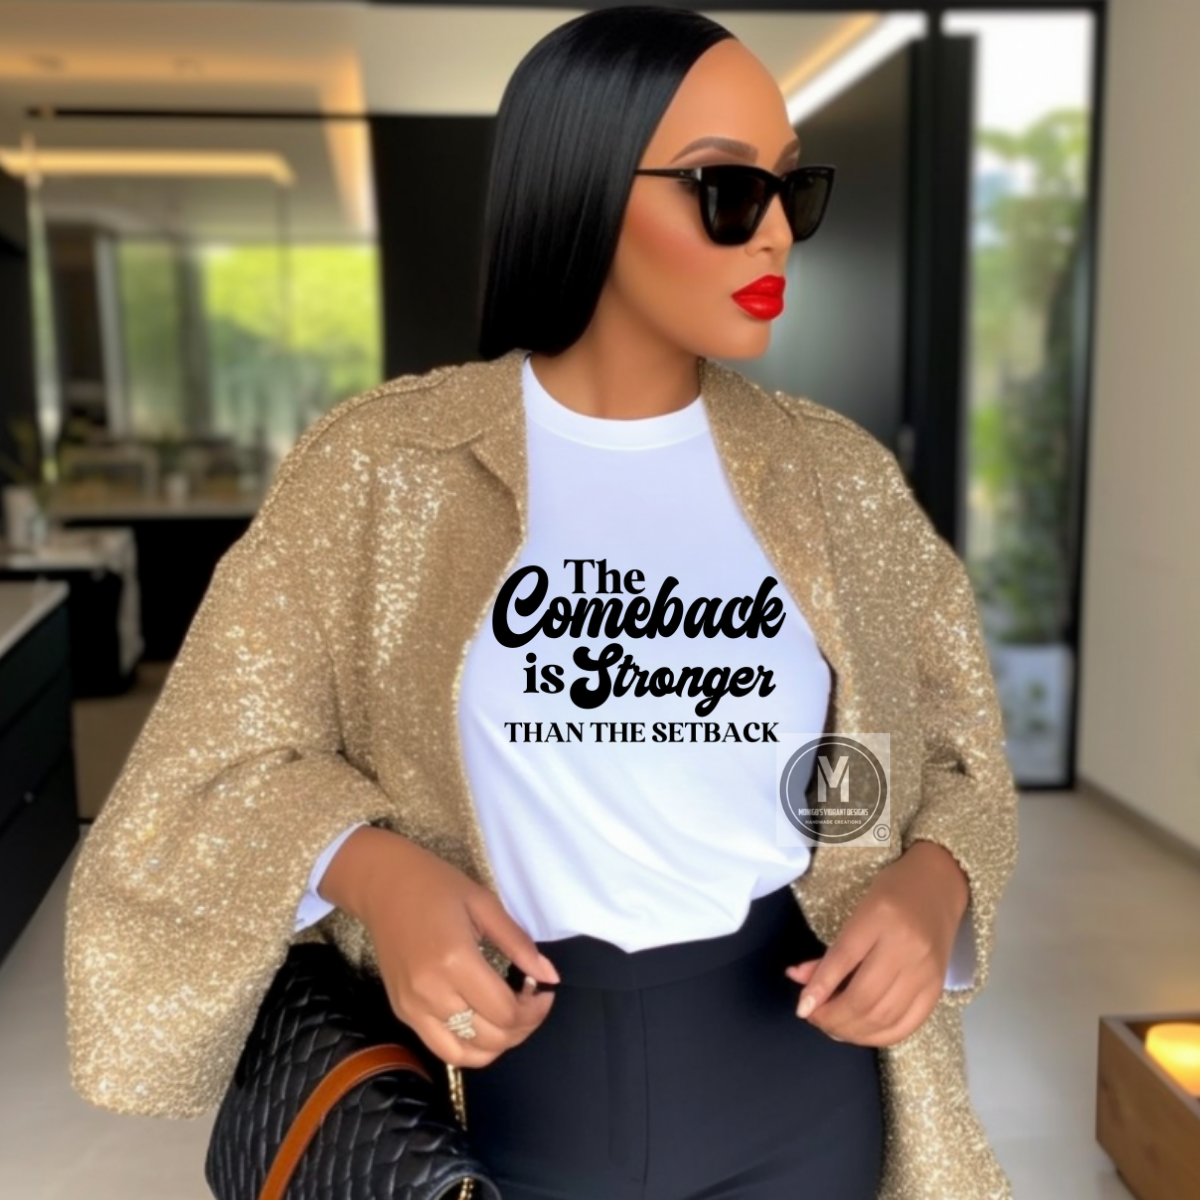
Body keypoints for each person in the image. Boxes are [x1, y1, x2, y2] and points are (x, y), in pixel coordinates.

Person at [64, 7, 1019, 1200]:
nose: (777, 232)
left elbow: (953, 746)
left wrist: (934, 882)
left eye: (793, 190)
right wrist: (369, 868)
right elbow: (208, 763)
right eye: (730, 191)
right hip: (492, 1087)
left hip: (800, 1064)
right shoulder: (382, 468)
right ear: (581, 186)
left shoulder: (839, 481)